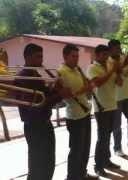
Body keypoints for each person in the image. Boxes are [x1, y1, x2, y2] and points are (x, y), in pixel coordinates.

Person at [14, 43, 68, 180]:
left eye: (41, 56)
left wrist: (56, 88)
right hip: (34, 126)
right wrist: (60, 94)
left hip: (45, 124)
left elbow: (46, 95)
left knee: (49, 162)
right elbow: (36, 105)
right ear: (27, 57)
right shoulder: (23, 78)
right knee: (38, 165)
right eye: (38, 57)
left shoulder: (36, 74)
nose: (41, 60)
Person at [58, 44, 98, 180]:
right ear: (65, 56)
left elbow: (85, 88)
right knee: (76, 150)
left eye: (77, 56)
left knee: (85, 148)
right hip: (74, 116)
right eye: (73, 56)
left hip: (85, 112)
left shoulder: (77, 69)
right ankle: (72, 177)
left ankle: (82, 174)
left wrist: (88, 87)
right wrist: (82, 90)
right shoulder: (61, 72)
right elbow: (63, 95)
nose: (76, 59)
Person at [87, 44, 121, 177]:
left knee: (108, 137)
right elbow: (98, 83)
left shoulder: (108, 66)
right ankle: (98, 166)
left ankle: (106, 161)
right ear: (97, 55)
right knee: (102, 138)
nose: (107, 57)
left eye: (107, 55)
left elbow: (119, 83)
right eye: (104, 55)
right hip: (101, 107)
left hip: (112, 105)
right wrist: (112, 71)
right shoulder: (92, 68)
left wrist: (117, 72)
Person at [107, 39, 128, 157]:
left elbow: (127, 74)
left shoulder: (123, 58)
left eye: (119, 48)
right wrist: (124, 64)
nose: (119, 50)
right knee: (117, 125)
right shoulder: (108, 61)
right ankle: (117, 148)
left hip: (127, 95)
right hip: (115, 98)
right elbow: (117, 79)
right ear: (110, 49)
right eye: (117, 48)